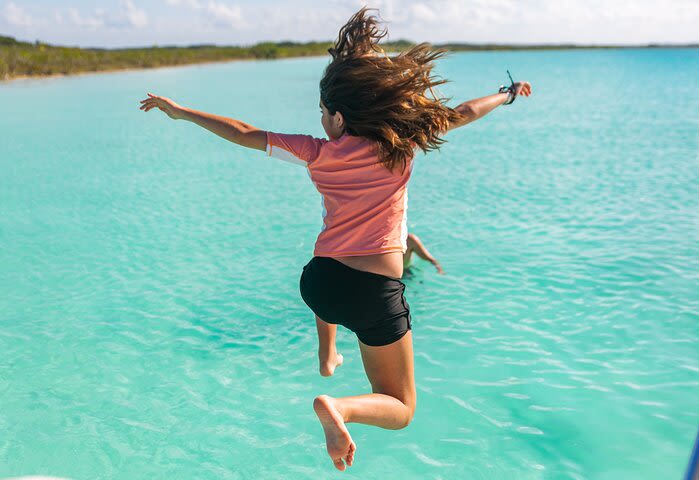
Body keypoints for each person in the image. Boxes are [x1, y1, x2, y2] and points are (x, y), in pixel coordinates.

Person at [139, 7, 531, 471]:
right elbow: (465, 111)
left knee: (329, 278)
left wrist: (180, 112)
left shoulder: (315, 152)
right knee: (401, 407)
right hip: (372, 293)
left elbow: (244, 133)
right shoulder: (401, 145)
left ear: (340, 119)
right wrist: (505, 96)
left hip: (319, 282)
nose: (321, 119)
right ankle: (339, 406)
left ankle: (328, 353)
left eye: (323, 112)